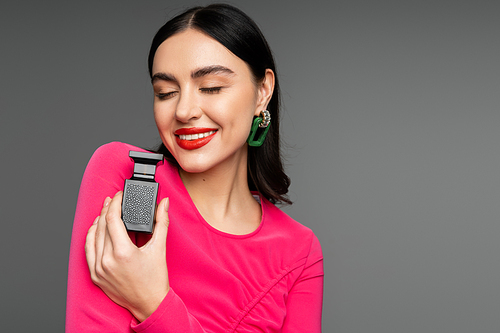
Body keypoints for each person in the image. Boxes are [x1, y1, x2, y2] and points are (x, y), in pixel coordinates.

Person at [66, 4, 323, 332]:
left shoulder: (298, 251)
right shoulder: (128, 176)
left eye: (211, 87)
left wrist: (154, 304)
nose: (184, 110)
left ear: (262, 92)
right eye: (166, 93)